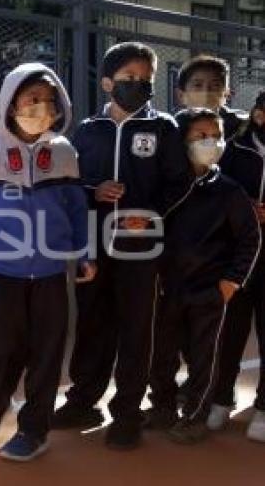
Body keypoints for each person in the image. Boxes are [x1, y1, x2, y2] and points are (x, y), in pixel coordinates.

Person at [53, 42, 192, 450]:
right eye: (131, 79)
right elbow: (71, 183)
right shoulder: (86, 131)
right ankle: (83, 400)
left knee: (136, 328)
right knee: (93, 322)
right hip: (94, 246)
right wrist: (95, 190)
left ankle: (127, 411)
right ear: (108, 82)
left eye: (146, 81)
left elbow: (179, 184)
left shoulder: (163, 128)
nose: (140, 87)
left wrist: (148, 215)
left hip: (141, 250)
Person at [0, 62, 95, 462]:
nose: (41, 107)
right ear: (10, 102)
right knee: (2, 349)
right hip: (2, 273)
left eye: (49, 101)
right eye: (32, 99)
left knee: (48, 354)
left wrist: (85, 252)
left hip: (51, 274)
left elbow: (76, 210)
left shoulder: (65, 153)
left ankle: (35, 429)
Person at [146, 108, 260, 444]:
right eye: (200, 136)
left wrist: (230, 282)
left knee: (203, 358)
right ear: (181, 142)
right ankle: (162, 408)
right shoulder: (166, 187)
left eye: (217, 135)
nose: (211, 142)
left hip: (208, 292)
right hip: (166, 290)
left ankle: (195, 415)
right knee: (161, 354)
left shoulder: (228, 191)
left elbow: (250, 238)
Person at [207, 91, 265, 442]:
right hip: (238, 258)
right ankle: (220, 398)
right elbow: (215, 192)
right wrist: (242, 209)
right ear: (259, 115)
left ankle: (263, 407)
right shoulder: (233, 148)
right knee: (230, 332)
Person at [175, 55, 247, 139]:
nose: (206, 91)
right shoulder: (174, 128)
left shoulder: (241, 126)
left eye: (215, 85)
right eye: (198, 85)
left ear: (226, 94)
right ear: (181, 95)